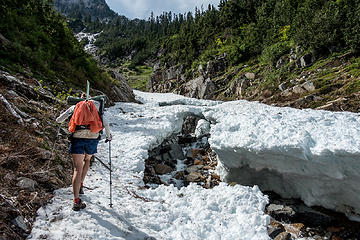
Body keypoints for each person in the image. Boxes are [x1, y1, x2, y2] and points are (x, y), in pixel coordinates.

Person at [56, 93, 111, 211]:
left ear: (80, 98)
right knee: (87, 160)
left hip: (77, 138)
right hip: (92, 137)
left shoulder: (75, 106)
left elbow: (59, 120)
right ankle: (81, 184)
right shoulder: (96, 107)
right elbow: (105, 123)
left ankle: (76, 200)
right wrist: (108, 136)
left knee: (77, 168)